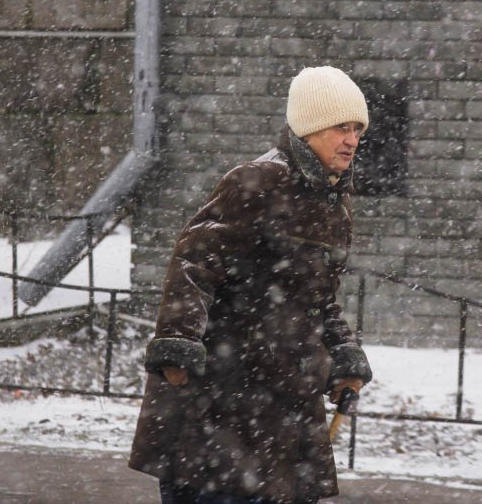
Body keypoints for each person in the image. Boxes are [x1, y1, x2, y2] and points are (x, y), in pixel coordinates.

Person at [129, 66, 374, 504]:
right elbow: (194, 263)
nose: (352, 140)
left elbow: (319, 300)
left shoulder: (335, 205)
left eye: (357, 129)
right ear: (310, 128)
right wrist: (178, 340)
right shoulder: (257, 182)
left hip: (286, 404)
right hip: (223, 401)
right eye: (341, 127)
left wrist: (343, 354)